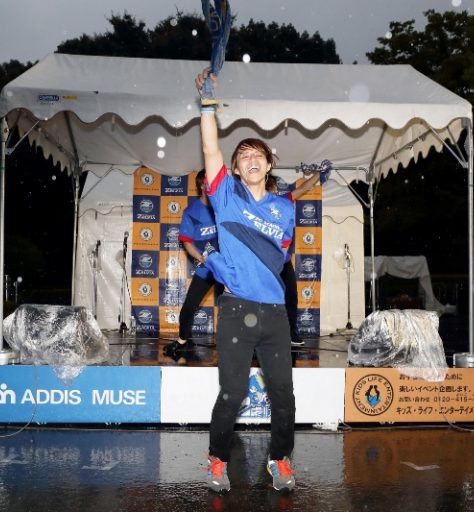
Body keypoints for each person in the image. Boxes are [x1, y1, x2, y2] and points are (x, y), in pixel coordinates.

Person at [195, 67, 297, 493]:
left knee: (284, 396)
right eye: (243, 156)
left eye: (259, 155)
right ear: (236, 169)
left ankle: (280, 460)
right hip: (236, 310)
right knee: (232, 394)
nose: (251, 160)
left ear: (269, 164)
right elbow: (209, 148)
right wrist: (207, 105)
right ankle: (217, 458)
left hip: (274, 313)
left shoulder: (286, 208)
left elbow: (281, 256)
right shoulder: (225, 196)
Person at [164, 170, 222, 359]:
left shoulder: (224, 206)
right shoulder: (191, 212)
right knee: (188, 309)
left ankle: (244, 344)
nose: (213, 186)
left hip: (228, 269)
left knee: (235, 308)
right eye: (209, 182)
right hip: (207, 268)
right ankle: (182, 341)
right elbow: (187, 242)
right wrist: (202, 258)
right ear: (201, 186)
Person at [266, 171, 325, 346]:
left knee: (291, 296)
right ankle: (262, 337)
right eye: (272, 189)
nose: (276, 192)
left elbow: (304, 188)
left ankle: (291, 333)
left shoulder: (284, 200)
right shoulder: (256, 207)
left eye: (276, 189)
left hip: (283, 262)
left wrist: (318, 175)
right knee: (264, 299)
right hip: (265, 263)